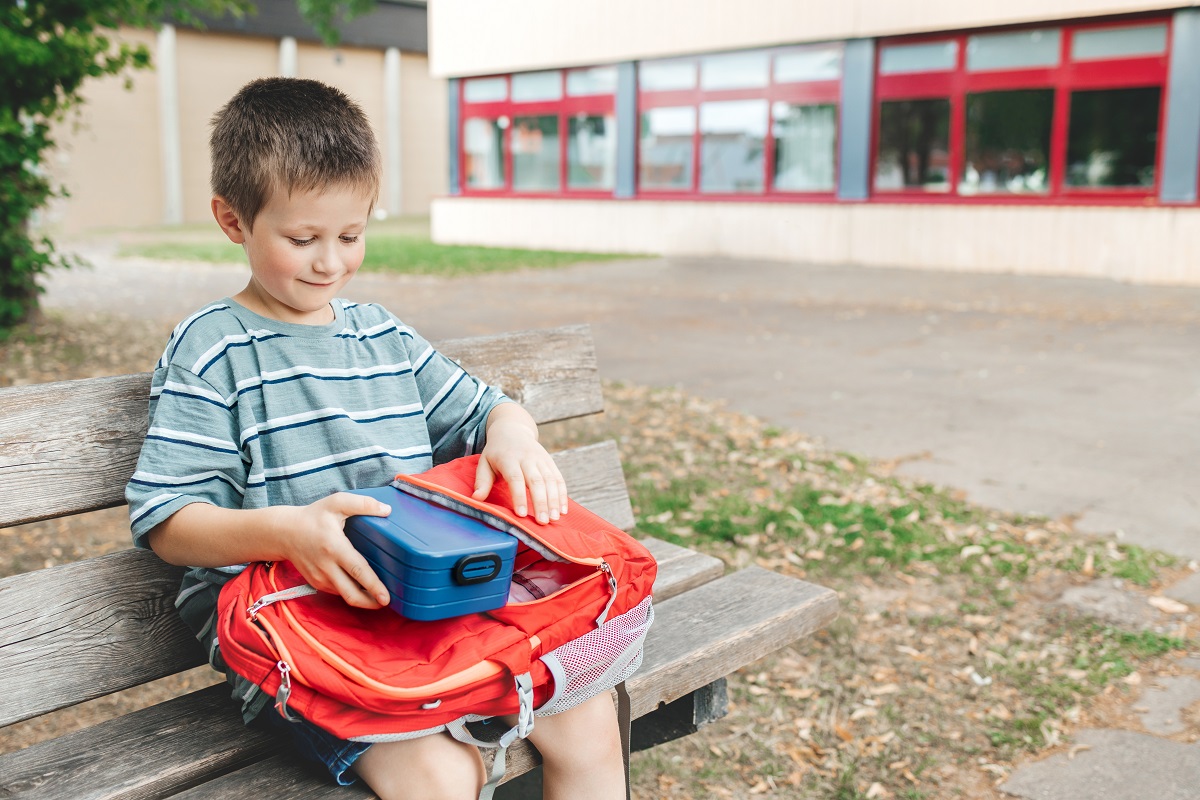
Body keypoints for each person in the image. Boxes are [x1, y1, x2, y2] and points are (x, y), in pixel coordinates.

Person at [125, 77, 626, 800]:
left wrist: (513, 434)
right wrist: (290, 532)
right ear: (232, 220)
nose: (330, 263)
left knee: (587, 719)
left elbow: (491, 409)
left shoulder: (382, 336)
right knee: (442, 775)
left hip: (418, 611)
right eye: (303, 240)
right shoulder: (215, 349)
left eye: (350, 236)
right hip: (295, 627)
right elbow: (168, 522)